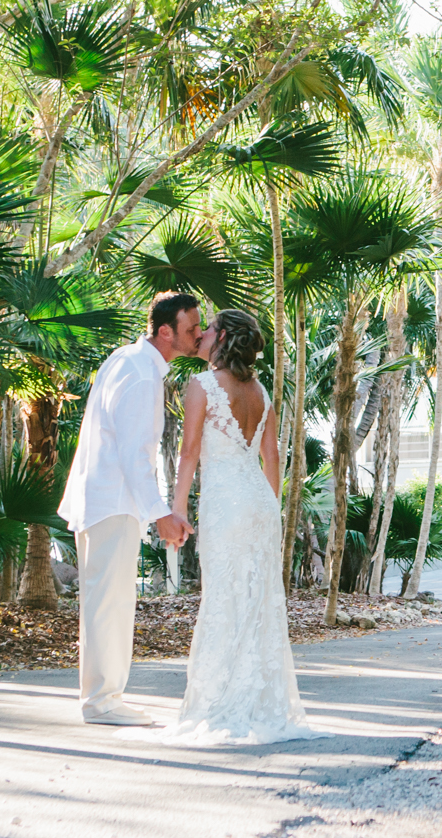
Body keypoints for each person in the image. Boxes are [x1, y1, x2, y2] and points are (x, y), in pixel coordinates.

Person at [137, 307, 321, 745]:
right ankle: (259, 701)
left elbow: (189, 454)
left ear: (222, 339)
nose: (201, 334)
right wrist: (271, 515)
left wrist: (176, 509)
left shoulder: (201, 386)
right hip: (259, 503)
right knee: (255, 602)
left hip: (226, 507)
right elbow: (272, 459)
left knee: (223, 599)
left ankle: (220, 702)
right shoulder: (261, 391)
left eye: (209, 329)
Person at [58, 292, 199, 725]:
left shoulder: (128, 359)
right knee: (109, 605)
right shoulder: (141, 375)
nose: (198, 335)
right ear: (165, 331)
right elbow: (134, 454)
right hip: (112, 503)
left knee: (108, 602)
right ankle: (102, 702)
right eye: (191, 328)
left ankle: (103, 697)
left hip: (103, 500)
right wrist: (160, 513)